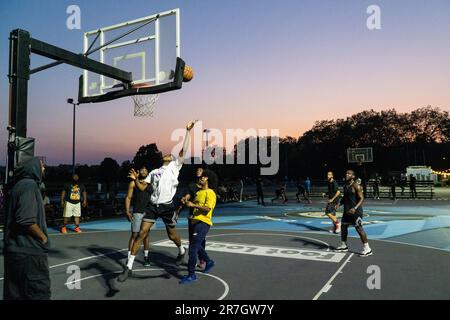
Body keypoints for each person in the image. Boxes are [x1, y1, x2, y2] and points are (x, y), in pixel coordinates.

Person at [118, 121, 196, 282]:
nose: (168, 154)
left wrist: (187, 131)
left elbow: (184, 149)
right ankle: (129, 267)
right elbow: (141, 187)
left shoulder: (175, 166)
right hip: (153, 206)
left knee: (172, 235)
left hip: (167, 206)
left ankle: (181, 250)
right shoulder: (153, 172)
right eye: (166, 153)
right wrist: (135, 179)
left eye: (170, 154)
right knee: (141, 234)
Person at [3, 157, 51, 300]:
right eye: (41, 166)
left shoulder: (18, 186)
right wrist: (43, 238)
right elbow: (25, 219)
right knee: (38, 294)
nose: (44, 169)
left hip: (15, 252)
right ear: (33, 168)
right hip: (29, 254)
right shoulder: (29, 186)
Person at [179, 170, 217, 284]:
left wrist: (193, 204)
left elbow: (207, 209)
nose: (201, 177)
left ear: (208, 179)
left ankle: (192, 275)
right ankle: (208, 261)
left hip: (203, 222)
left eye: (204, 176)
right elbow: (194, 206)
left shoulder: (210, 193)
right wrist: (186, 201)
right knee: (196, 245)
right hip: (194, 222)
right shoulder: (199, 192)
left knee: (193, 249)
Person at [335, 170, 372, 257]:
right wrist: (339, 204)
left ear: (353, 176)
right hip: (347, 211)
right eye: (346, 173)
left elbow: (362, 198)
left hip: (356, 212)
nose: (347, 174)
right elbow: (345, 198)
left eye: (349, 173)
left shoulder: (356, 185)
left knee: (359, 229)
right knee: (343, 227)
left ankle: (368, 249)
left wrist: (355, 208)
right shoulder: (346, 186)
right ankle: (344, 245)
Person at [124, 165, 152, 267]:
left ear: (148, 172)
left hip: (149, 212)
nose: (144, 171)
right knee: (134, 235)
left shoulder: (150, 182)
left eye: (146, 169)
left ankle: (146, 257)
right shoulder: (133, 183)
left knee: (146, 235)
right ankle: (128, 258)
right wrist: (127, 211)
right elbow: (128, 197)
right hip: (137, 211)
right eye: (142, 169)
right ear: (138, 171)